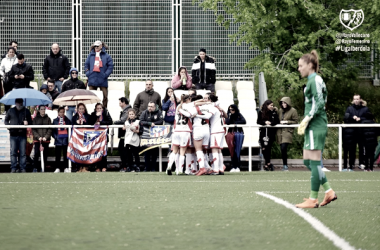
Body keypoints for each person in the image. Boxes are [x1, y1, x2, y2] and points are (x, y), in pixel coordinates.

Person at [296, 49, 337, 208]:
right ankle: (328, 191)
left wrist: (306, 119)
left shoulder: (314, 80)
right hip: (313, 124)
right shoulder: (314, 80)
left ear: (310, 65)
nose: (299, 69)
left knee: (313, 162)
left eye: (301, 65)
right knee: (308, 161)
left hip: (316, 124)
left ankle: (313, 199)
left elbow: (319, 103)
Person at [4, 98, 32, 173]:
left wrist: (27, 123)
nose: (19, 104)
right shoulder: (10, 110)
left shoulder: (27, 111)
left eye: (20, 102)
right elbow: (6, 120)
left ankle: (22, 168)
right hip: (13, 134)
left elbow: (31, 122)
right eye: (18, 102)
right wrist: (9, 127)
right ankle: (13, 168)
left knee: (23, 153)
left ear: (23, 102)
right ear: (15, 103)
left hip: (22, 135)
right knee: (13, 152)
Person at [343, 95, 369, 171]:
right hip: (352, 133)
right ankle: (352, 164)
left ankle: (362, 163)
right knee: (352, 149)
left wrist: (360, 119)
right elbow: (345, 118)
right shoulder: (349, 109)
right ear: (353, 100)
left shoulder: (365, 109)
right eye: (355, 99)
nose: (356, 100)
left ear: (360, 100)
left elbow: (369, 119)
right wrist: (352, 117)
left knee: (362, 148)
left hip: (362, 132)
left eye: (357, 99)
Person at [85, 40, 114, 108]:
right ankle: (93, 111)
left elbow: (110, 66)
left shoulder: (107, 56)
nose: (96, 47)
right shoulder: (90, 55)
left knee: (105, 97)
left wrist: (105, 74)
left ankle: (104, 111)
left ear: (101, 46)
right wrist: (88, 73)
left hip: (102, 79)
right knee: (92, 97)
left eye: (97, 46)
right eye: (95, 46)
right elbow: (86, 65)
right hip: (92, 79)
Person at [139, 101, 164, 171]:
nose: (149, 108)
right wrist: (149, 123)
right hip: (146, 135)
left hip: (155, 135)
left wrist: (154, 123)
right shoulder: (144, 112)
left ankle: (153, 168)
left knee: (154, 152)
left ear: (155, 107)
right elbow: (140, 121)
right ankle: (147, 168)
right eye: (149, 106)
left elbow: (161, 121)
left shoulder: (159, 112)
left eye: (151, 107)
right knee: (146, 152)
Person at [89, 103, 113, 172]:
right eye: (97, 108)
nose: (99, 109)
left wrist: (101, 123)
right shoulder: (93, 114)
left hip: (104, 136)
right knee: (96, 151)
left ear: (102, 109)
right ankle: (97, 167)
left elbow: (110, 121)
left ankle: (104, 167)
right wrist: (95, 117)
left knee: (103, 152)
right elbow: (90, 122)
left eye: (100, 108)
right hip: (95, 136)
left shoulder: (106, 113)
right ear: (95, 109)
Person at [276, 97, 299, 171]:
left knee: (284, 147)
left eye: (285, 103)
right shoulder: (280, 110)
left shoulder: (293, 110)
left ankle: (285, 165)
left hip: (287, 132)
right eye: (282, 103)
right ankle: (284, 165)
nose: (283, 104)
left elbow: (296, 122)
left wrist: (287, 122)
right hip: (279, 132)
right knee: (282, 149)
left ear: (288, 103)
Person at [257, 100, 279, 171]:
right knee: (264, 148)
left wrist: (271, 123)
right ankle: (268, 163)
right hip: (263, 132)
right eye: (270, 105)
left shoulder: (274, 113)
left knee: (268, 148)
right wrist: (264, 122)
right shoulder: (261, 112)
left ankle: (267, 164)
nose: (272, 106)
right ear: (267, 105)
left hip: (271, 132)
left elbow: (277, 121)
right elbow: (258, 121)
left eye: (272, 105)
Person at [224, 104, 246, 172]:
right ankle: (233, 166)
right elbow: (227, 122)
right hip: (231, 133)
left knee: (237, 149)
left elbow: (244, 121)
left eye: (232, 109)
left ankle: (237, 166)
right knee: (232, 150)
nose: (231, 111)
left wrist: (236, 123)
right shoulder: (229, 115)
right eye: (230, 110)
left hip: (238, 133)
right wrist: (229, 116)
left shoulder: (239, 115)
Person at [113, 97, 132, 172]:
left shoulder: (127, 111)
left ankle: (126, 166)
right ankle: (126, 165)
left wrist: (115, 122)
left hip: (126, 134)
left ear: (124, 102)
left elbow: (122, 121)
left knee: (123, 150)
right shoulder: (126, 110)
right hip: (125, 134)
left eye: (120, 102)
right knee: (122, 149)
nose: (119, 104)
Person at [32, 106, 52, 172]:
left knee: (45, 154)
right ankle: (35, 168)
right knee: (37, 153)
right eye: (41, 109)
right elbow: (33, 129)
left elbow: (50, 129)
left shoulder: (48, 119)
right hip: (37, 140)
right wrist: (38, 137)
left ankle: (43, 168)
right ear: (39, 110)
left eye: (44, 109)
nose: (43, 110)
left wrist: (45, 137)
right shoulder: (35, 119)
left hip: (46, 140)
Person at [71, 103, 90, 172]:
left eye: (82, 108)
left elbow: (90, 124)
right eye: (80, 109)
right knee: (78, 152)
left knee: (85, 152)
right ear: (77, 109)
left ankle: (85, 167)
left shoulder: (88, 116)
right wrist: (77, 123)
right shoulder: (74, 117)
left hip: (86, 137)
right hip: (77, 137)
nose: (81, 110)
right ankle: (79, 167)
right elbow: (72, 126)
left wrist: (83, 122)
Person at [52, 107, 72, 173]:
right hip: (58, 139)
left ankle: (66, 167)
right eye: (60, 112)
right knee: (58, 155)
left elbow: (70, 129)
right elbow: (53, 131)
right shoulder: (55, 120)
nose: (62, 113)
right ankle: (57, 167)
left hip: (65, 139)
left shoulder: (67, 120)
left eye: (63, 112)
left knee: (65, 154)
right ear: (58, 112)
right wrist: (55, 137)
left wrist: (68, 137)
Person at [0, 47, 18, 112]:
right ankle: (7, 110)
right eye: (10, 52)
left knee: (15, 95)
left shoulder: (16, 59)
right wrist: (3, 74)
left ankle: (15, 110)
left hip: (15, 79)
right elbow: (1, 69)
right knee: (7, 95)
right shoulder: (4, 60)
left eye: (13, 52)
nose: (11, 53)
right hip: (7, 79)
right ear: (8, 52)